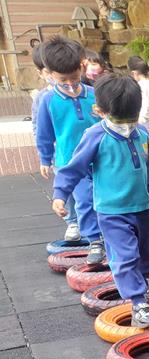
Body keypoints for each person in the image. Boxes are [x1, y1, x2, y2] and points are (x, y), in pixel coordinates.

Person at [52, 75, 149, 329]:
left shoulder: (141, 132)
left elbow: (144, 164)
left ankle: (141, 282)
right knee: (125, 256)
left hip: (143, 207)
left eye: (132, 118)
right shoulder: (95, 135)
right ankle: (138, 305)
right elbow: (74, 168)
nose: (127, 126)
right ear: (99, 111)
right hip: (112, 212)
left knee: (148, 254)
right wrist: (60, 194)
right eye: (121, 121)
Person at [36, 36, 103, 263]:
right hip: (72, 162)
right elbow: (44, 132)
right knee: (84, 201)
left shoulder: (93, 94)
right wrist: (45, 158)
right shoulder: (48, 100)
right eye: (63, 80)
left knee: (106, 196)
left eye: (74, 78)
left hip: (100, 159)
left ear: (81, 67)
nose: (71, 84)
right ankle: (94, 240)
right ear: (50, 74)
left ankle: (112, 233)